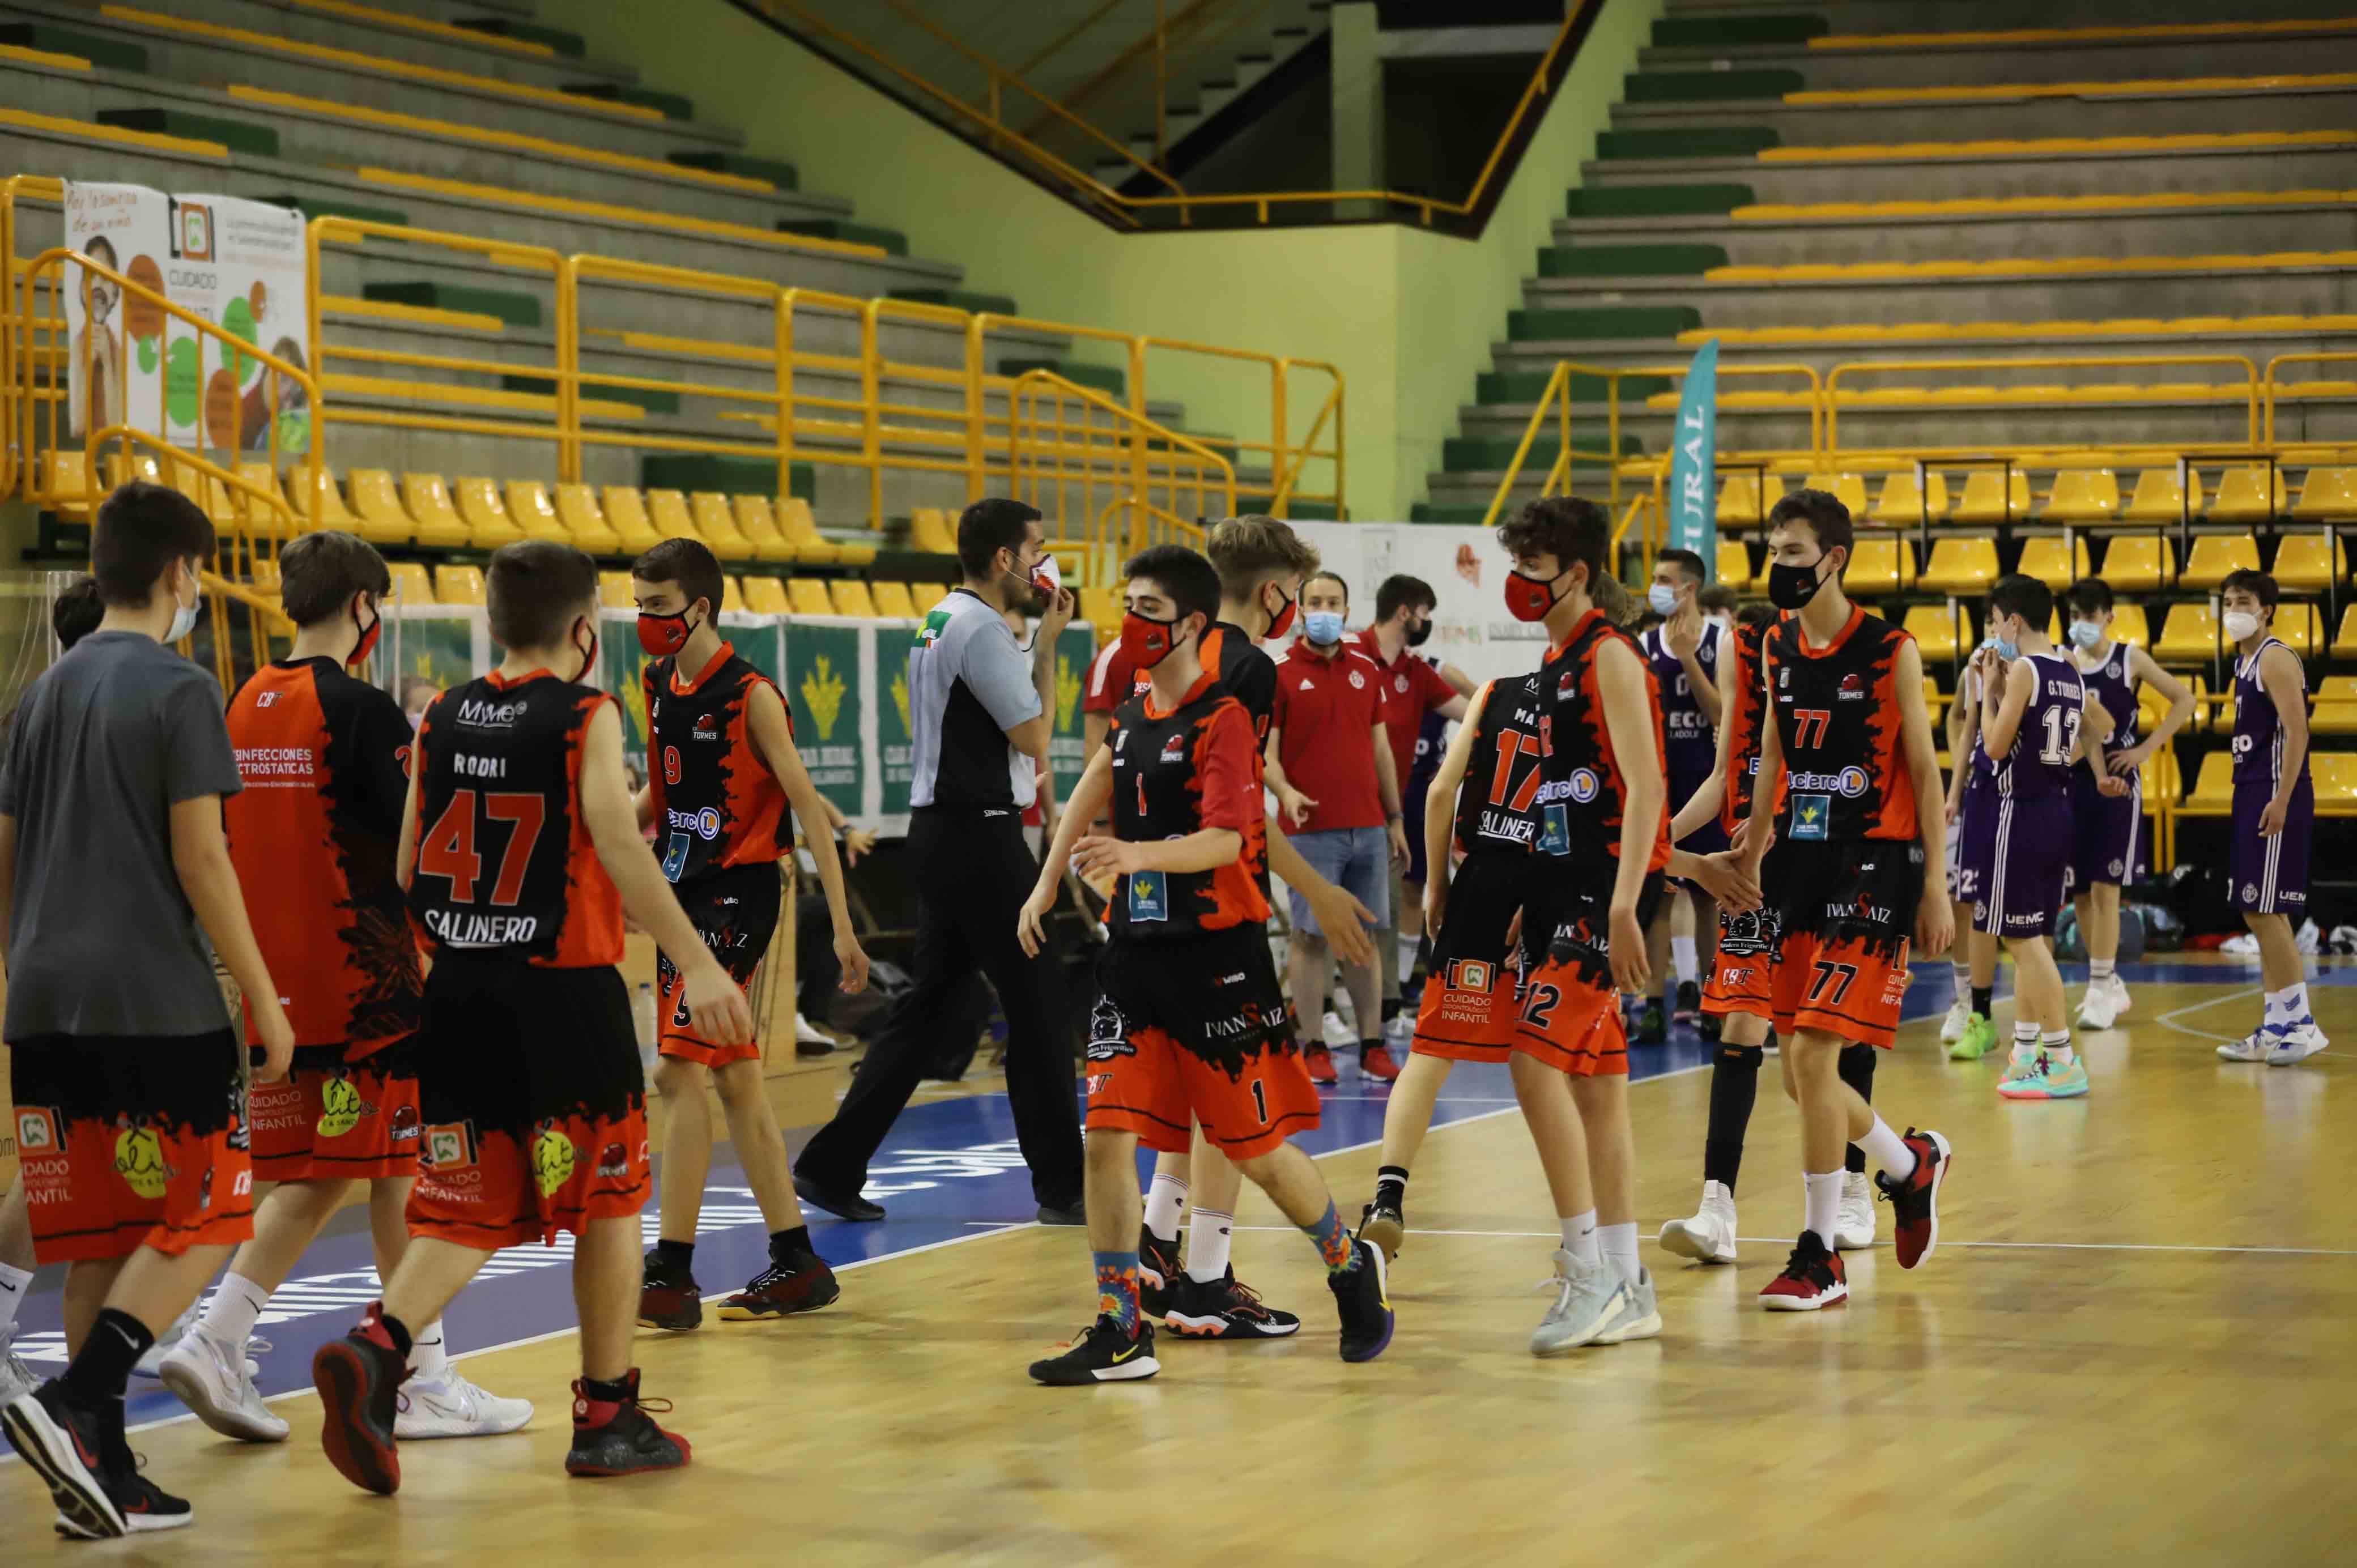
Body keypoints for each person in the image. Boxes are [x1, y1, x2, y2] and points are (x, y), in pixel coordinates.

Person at [310, 539, 754, 1493]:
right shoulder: (584, 715)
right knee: (606, 1199)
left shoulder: (440, 713)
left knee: (466, 1204)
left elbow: (402, 871)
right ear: (585, 629)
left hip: (460, 992)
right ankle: (606, 1411)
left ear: (494, 624)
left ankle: (378, 1344)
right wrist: (700, 962)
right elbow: (619, 845)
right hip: (564, 993)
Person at [161, 531, 528, 1447]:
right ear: (365, 607)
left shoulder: (241, 700)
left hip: (273, 983)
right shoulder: (363, 710)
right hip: (368, 985)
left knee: (325, 1172)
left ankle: (218, 1335)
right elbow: (422, 850)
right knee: (403, 1169)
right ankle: (420, 1375)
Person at [1016, 545, 1392, 1384]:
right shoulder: (1132, 706)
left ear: (1191, 622)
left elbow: (1229, 839)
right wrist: (1047, 880)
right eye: (1130, 605)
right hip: (1134, 952)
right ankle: (1120, 1326)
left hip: (1217, 955)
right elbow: (1096, 781)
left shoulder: (1226, 715)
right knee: (1104, 1135)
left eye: (1150, 609)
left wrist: (1136, 855)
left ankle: (1346, 1259)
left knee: (1253, 1148)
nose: (1134, 622)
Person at [1, 482, 295, 1537]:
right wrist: (262, 993)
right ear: (180, 573)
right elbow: (203, 855)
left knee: (96, 1229)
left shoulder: (40, 693)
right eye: (199, 574)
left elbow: (5, 854)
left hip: (42, 996)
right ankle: (83, 1400)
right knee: (210, 1210)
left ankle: (104, 1472)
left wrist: (22, 961)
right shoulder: (179, 688)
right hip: (153, 1000)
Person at [793, 500, 1085, 1224]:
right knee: (1038, 1003)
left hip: (944, 834)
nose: (1043, 565)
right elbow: (1035, 738)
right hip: (979, 837)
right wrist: (1047, 644)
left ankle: (830, 1166)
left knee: (926, 1011)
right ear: (1002, 560)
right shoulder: (984, 627)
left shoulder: (939, 617)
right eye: (1036, 550)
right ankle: (1064, 1187)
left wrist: (1039, 636)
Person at [1129, 516, 1376, 1341]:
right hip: (1216, 912)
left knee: (1188, 1101)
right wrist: (1319, 891)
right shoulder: (1248, 671)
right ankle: (1210, 1274)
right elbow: (1236, 822)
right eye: (1299, 596)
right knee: (1242, 1116)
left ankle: (1159, 1249)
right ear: (1276, 593)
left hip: (1149, 914)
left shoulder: (1179, 655)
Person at [1716, 488, 1954, 1311]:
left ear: (1834, 558)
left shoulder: (1891, 649)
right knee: (1798, 1076)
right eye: (1772, 553)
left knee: (1816, 1059)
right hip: (1798, 860)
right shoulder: (1775, 643)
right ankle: (1908, 1164)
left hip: (1876, 862)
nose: (1777, 567)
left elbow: (1926, 773)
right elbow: (1773, 751)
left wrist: (1937, 884)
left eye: (1790, 553)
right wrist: (1749, 841)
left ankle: (1820, 1254)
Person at [629, 539, 870, 1331]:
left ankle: (670, 1268)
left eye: (658, 607)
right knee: (734, 1080)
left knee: (675, 1070)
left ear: (699, 608)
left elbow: (809, 810)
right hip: (679, 892)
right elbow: (660, 799)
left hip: (740, 894)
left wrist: (840, 927)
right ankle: (797, 1261)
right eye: (638, 604)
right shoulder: (656, 680)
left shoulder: (752, 693)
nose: (644, 621)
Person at [1492, 498, 1667, 1353]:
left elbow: (1644, 790)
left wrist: (1630, 902)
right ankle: (1630, 1284)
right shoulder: (1553, 660)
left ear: (1578, 573)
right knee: (1597, 1092)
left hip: (1609, 892)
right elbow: (1563, 800)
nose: (1521, 580)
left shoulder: (1610, 656)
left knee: (1532, 1062)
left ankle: (1588, 1267)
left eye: (1535, 565)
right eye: (1517, 562)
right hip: (1565, 891)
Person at [1657, 603, 1881, 1265]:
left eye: (1730, 665)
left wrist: (1775, 828)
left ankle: (1856, 1187)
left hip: (1826, 876)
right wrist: (1661, 840)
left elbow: (1851, 781)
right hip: (1750, 881)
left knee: (1827, 1045)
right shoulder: (1740, 706)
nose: (1726, 681)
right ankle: (1716, 1206)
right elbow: (1723, 779)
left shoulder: (1821, 681)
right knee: (1739, 1030)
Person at [0, 576, 109, 1407]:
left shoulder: (27, 710)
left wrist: (15, 952)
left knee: (52, 1168)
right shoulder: (120, 706)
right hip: (113, 979)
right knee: (80, 1173)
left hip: (44, 968)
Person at [1965, 577, 2121, 1101]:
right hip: (2058, 808)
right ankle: (2028, 1050)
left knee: (2025, 941)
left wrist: (1991, 693)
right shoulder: (2069, 668)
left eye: (1993, 621)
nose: (1991, 632)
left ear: (2012, 621)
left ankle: (2059, 1058)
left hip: (2022, 812)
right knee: (2030, 934)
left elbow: (1992, 746)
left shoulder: (2027, 670)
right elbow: (2081, 741)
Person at [1269, 571, 1407, 1084]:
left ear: (1348, 612)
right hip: (1307, 831)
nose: (1325, 609)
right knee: (1310, 938)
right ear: (1301, 610)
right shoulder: (1278, 672)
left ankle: (1372, 1045)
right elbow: (1266, 754)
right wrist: (1284, 792)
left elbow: (1381, 751)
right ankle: (1314, 1045)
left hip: (1368, 826)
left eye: (1334, 602)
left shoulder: (1366, 670)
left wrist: (1394, 817)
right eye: (1315, 602)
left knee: (1364, 938)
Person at [2062, 579, 2193, 1030]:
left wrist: (2145, 749)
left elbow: (2185, 699)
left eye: (2090, 616)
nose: (2081, 625)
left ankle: (2100, 988)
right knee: (2079, 892)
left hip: (2117, 780)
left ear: (2109, 618)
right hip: (2073, 781)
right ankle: (2106, 980)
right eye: (2075, 615)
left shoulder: (2128, 658)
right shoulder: (2063, 659)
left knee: (2106, 889)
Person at [1355, 575, 1473, 1060]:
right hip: (1341, 807)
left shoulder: (1416, 671)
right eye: (1425, 612)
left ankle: (1384, 1013)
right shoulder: (1348, 655)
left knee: (1385, 914)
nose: (1428, 622)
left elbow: (1471, 711)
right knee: (1320, 923)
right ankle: (1324, 1015)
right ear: (1406, 612)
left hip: (1394, 811)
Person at [2215, 570, 2327, 1064]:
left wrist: (2281, 800)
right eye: (2227, 601)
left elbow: (2298, 734)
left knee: (2266, 908)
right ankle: (2276, 1023)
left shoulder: (2275, 657)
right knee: (2258, 909)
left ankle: (2301, 1023)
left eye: (2242, 601)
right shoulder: (2242, 663)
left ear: (2266, 610)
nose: (2233, 609)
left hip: (2276, 792)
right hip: (2250, 790)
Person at [1637, 548, 1725, 1042]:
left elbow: (1720, 714)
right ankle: (1653, 1002)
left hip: (1704, 780)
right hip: (1658, 785)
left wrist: (1689, 659)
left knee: (1708, 893)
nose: (1656, 586)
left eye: (1664, 579)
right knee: (1658, 898)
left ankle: (1712, 999)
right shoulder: (1644, 644)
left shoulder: (1719, 640)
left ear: (1688, 589)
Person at [1940, 654, 2002, 1062]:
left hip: (2017, 796)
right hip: (1977, 795)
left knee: (2008, 914)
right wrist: (1958, 779)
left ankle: (2040, 1029)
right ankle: (1966, 1002)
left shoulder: (2030, 671)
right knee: (1961, 900)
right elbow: (1956, 720)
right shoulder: (1973, 670)